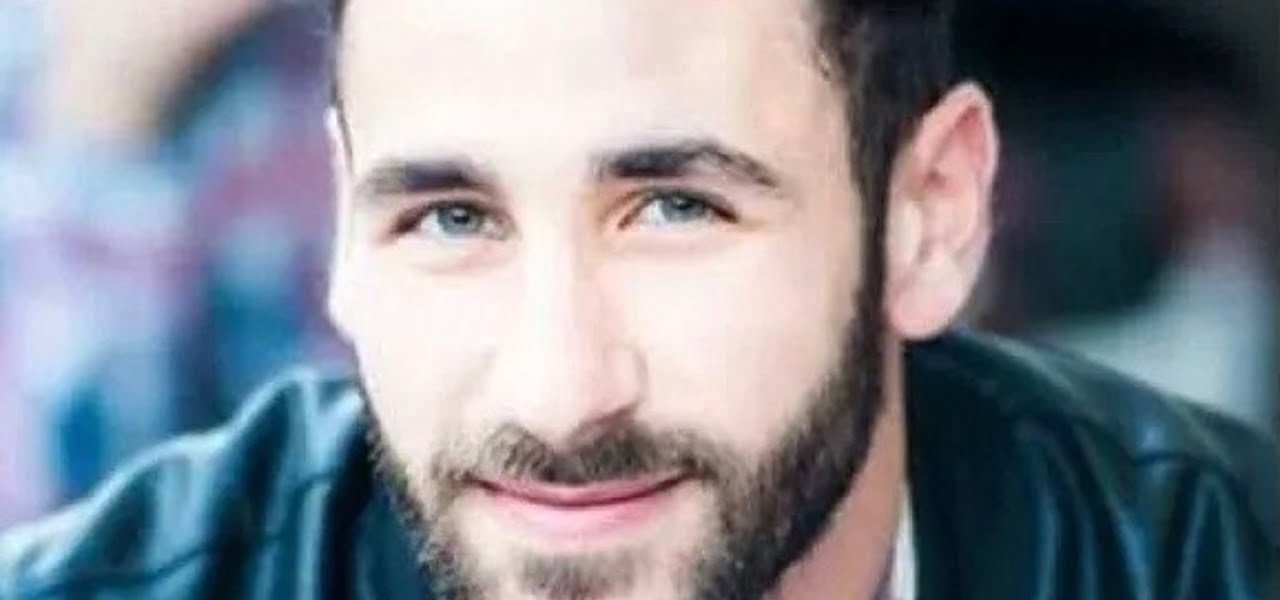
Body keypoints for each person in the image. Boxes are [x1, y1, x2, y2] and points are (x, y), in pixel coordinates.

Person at [1, 0, 1276, 598]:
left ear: (929, 215)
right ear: (343, 225)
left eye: (675, 209)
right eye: (451, 218)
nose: (557, 394)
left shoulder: (1210, 560)